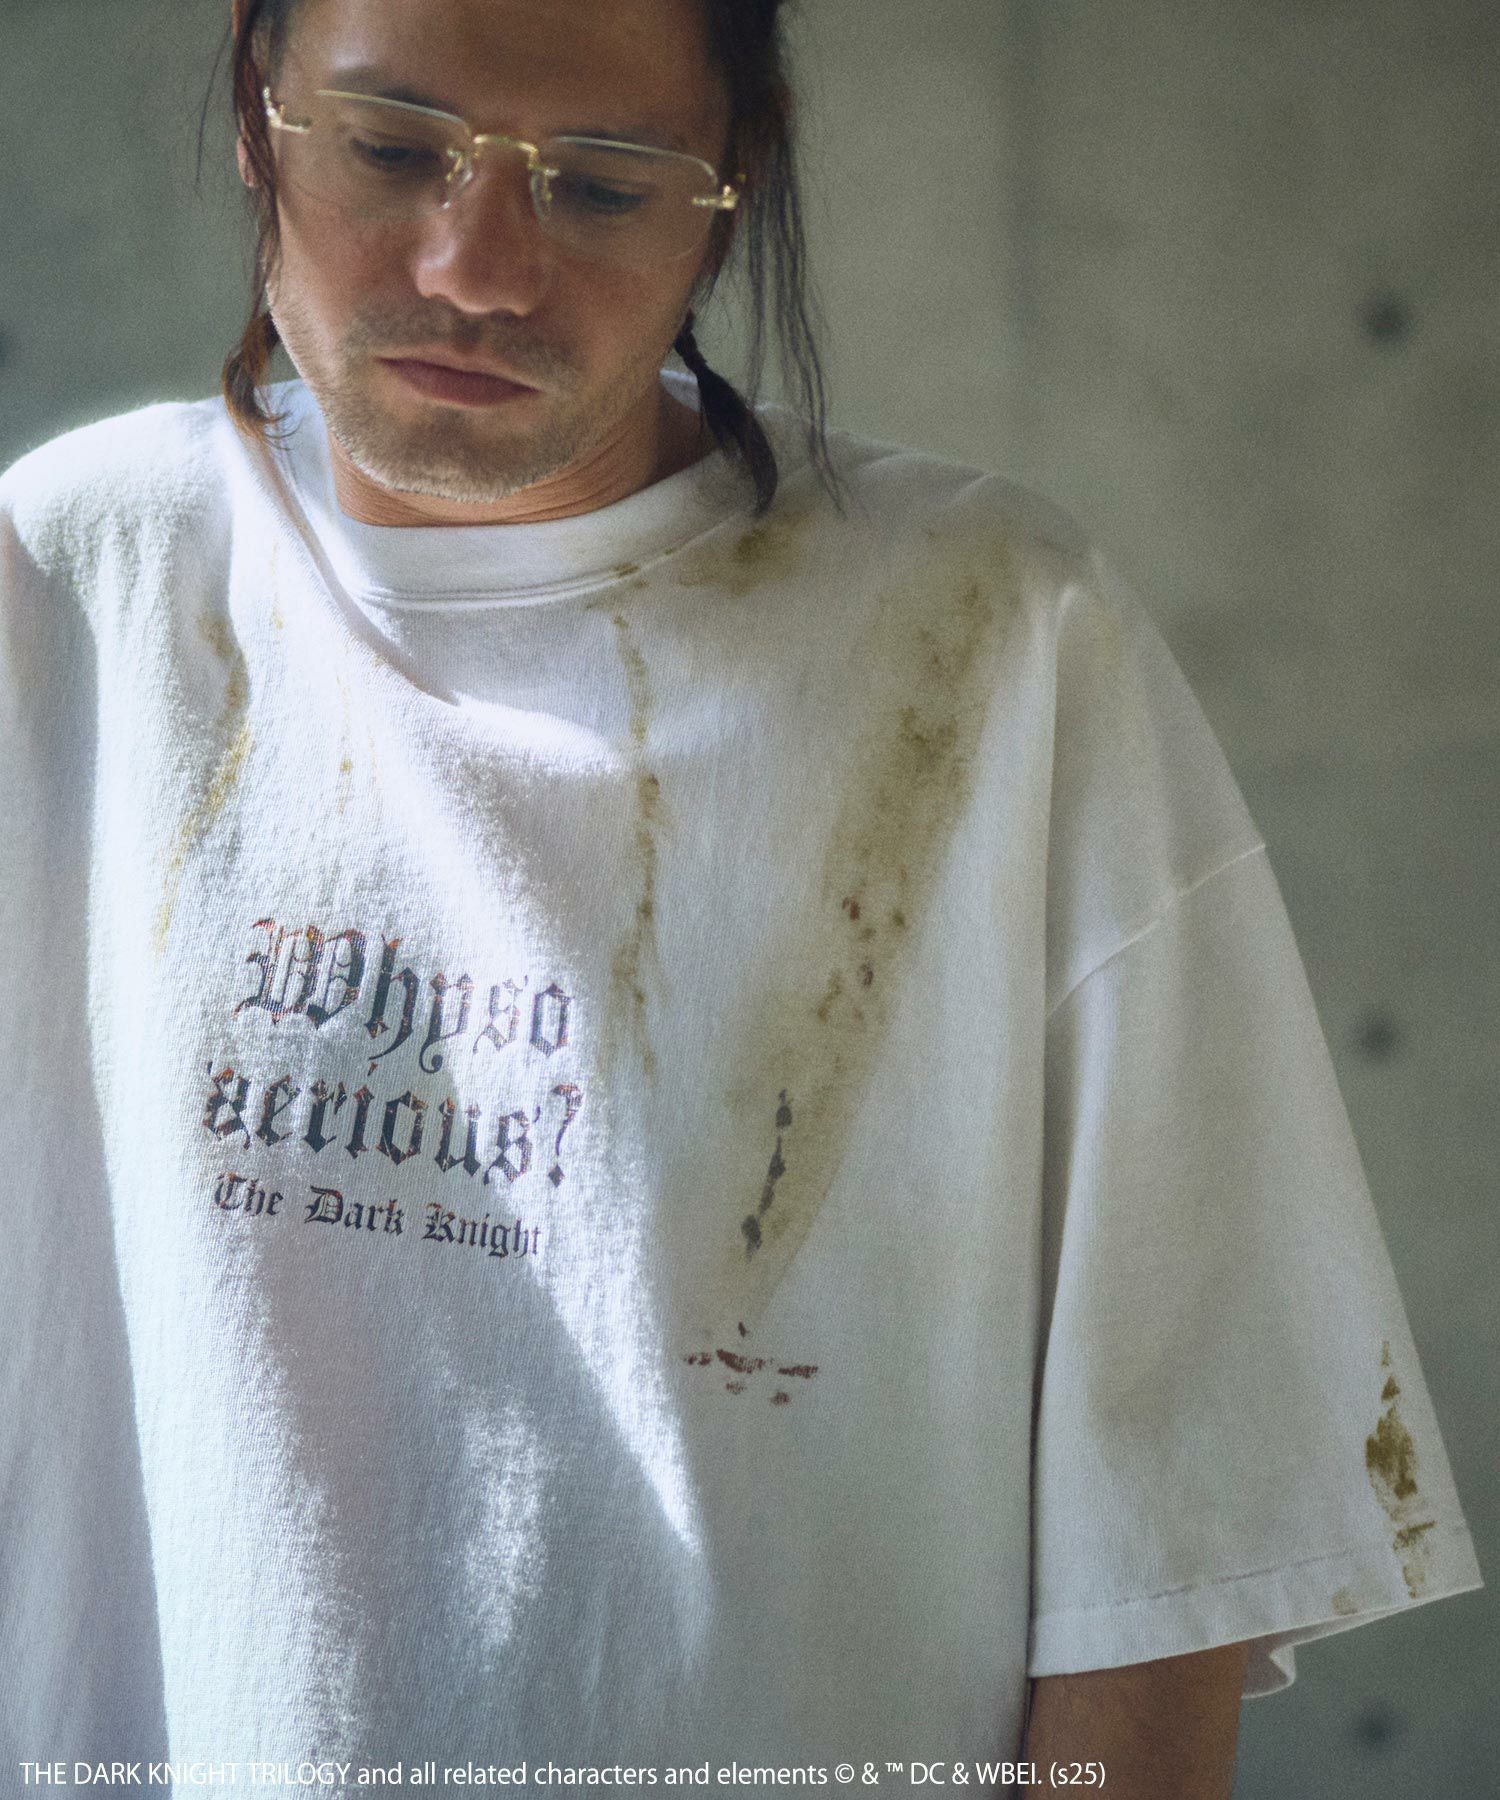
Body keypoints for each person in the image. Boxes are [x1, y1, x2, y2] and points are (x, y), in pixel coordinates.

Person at [0, 0, 1482, 1792]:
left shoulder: (995, 644)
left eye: (605, 184)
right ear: (259, 115)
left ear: (734, 181)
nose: (477, 268)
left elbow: (1177, 1544)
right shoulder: (69, 587)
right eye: (390, 151)